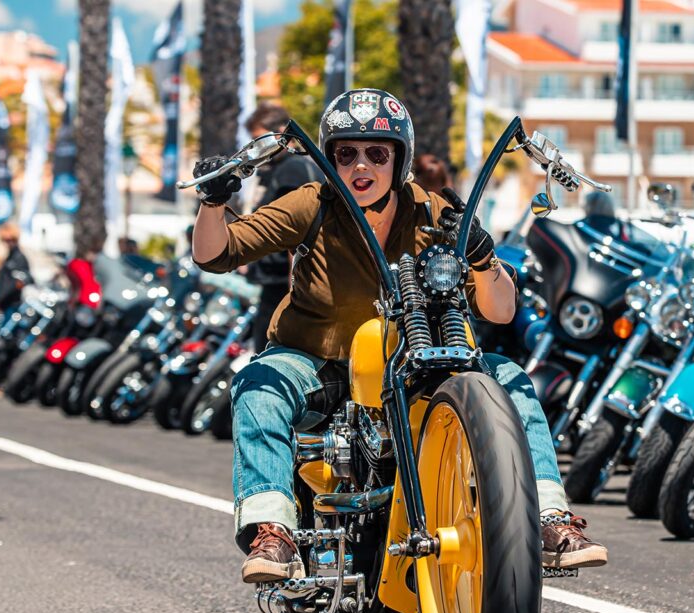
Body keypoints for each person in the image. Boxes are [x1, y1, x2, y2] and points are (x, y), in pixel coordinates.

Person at [190, 89, 607, 583]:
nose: (360, 165)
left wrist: (481, 256)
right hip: (318, 363)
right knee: (257, 385)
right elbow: (216, 254)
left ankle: (550, 519)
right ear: (330, 159)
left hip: (416, 364)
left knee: (512, 380)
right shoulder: (312, 202)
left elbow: (500, 309)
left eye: (376, 153)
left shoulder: (435, 211)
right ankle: (272, 531)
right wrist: (213, 202)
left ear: (399, 159)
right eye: (346, 153)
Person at [242, 103, 322, 352]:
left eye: (260, 139)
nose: (257, 147)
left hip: (285, 285)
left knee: (270, 354)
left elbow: (295, 234)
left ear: (280, 132)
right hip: (276, 282)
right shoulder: (280, 169)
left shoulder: (293, 170)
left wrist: (294, 297)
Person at [0, 222, 31, 313]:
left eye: (11, 240)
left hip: (12, 303)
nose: (8, 243)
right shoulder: (7, 256)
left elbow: (16, 283)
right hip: (3, 303)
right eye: (5, 240)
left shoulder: (19, 258)